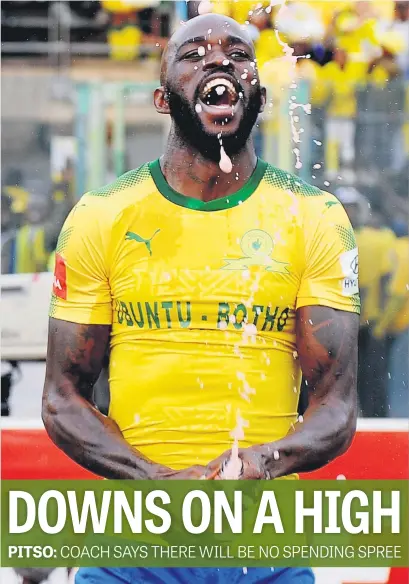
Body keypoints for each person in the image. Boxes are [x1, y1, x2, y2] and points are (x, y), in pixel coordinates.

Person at [43, 13, 360, 584]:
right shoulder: (102, 216)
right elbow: (63, 398)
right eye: (193, 55)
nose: (218, 62)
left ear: (258, 93)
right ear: (163, 99)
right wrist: (158, 484)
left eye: (238, 55)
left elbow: (336, 407)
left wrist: (261, 463)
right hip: (133, 545)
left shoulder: (312, 218)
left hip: (263, 545)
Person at [335, 187, 395, 417]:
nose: (348, 213)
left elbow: (385, 280)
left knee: (371, 376)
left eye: (351, 208)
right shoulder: (326, 236)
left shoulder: (378, 239)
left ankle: (374, 422)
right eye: (344, 208)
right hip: (340, 321)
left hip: (368, 322)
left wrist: (381, 318)